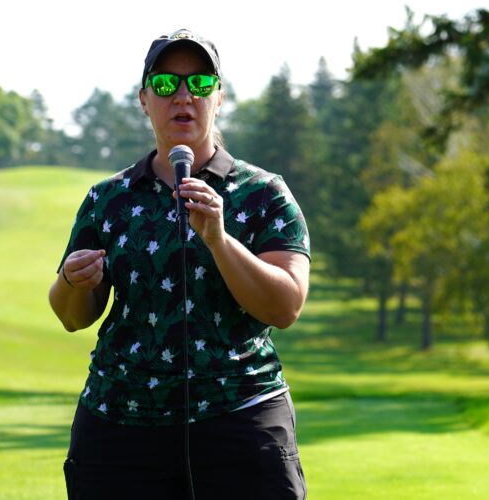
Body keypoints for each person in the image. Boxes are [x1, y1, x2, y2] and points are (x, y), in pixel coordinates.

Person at [49, 28, 310, 499]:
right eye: (167, 85)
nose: (184, 96)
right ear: (144, 100)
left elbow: (284, 306)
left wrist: (219, 240)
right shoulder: (107, 199)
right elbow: (71, 315)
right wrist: (72, 280)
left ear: (219, 98)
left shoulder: (264, 193)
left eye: (200, 84)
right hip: (120, 429)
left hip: (240, 421)